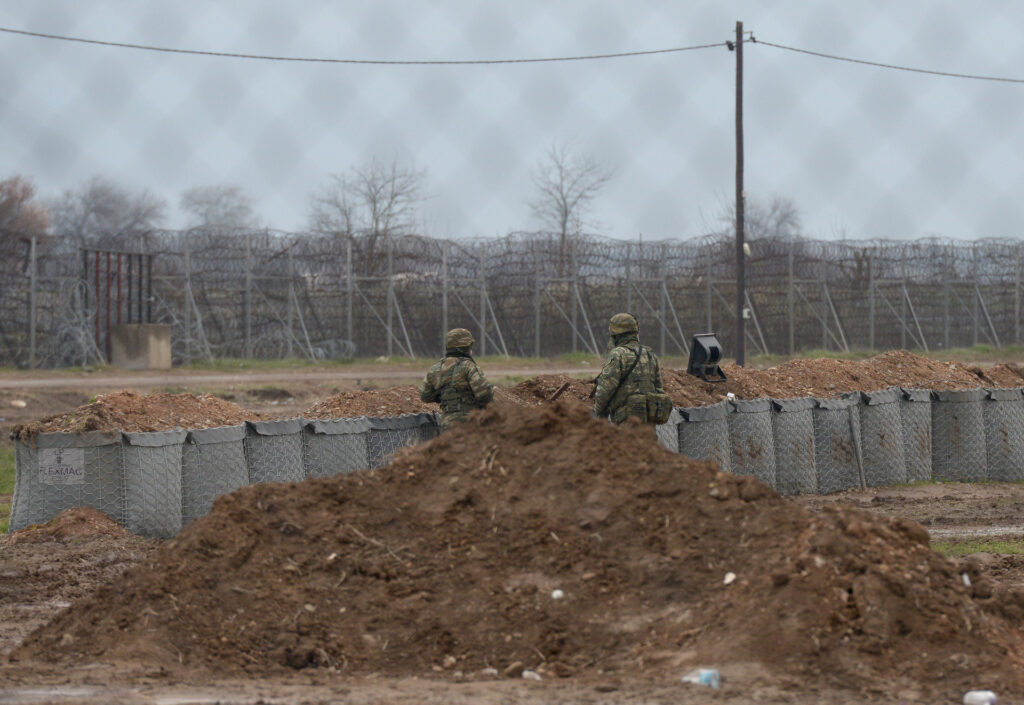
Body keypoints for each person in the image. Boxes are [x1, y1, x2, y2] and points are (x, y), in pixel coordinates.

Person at [592, 313, 670, 425]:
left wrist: (598, 412)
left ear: (615, 333)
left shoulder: (618, 354)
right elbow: (658, 389)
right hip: (648, 423)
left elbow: (606, 389)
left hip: (625, 421)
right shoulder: (649, 354)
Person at [419, 328, 494, 429]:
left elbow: (425, 396)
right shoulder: (469, 367)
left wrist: (443, 396)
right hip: (471, 423)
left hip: (447, 424)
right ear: (466, 347)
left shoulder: (435, 369)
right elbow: (485, 394)